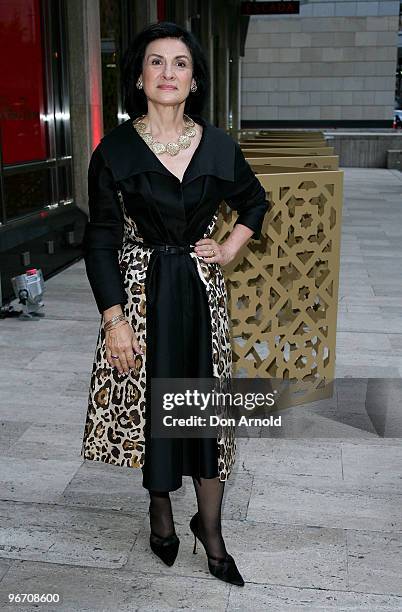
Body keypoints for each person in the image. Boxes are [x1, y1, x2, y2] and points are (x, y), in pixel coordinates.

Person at [80, 21, 269, 587]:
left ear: (193, 79)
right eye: (156, 62)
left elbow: (254, 201)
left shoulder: (217, 145)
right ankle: (159, 510)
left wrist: (231, 247)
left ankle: (210, 530)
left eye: (180, 63)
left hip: (201, 296)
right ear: (139, 77)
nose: (168, 72)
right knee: (151, 410)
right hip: (140, 295)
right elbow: (100, 240)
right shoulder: (113, 151)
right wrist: (115, 319)